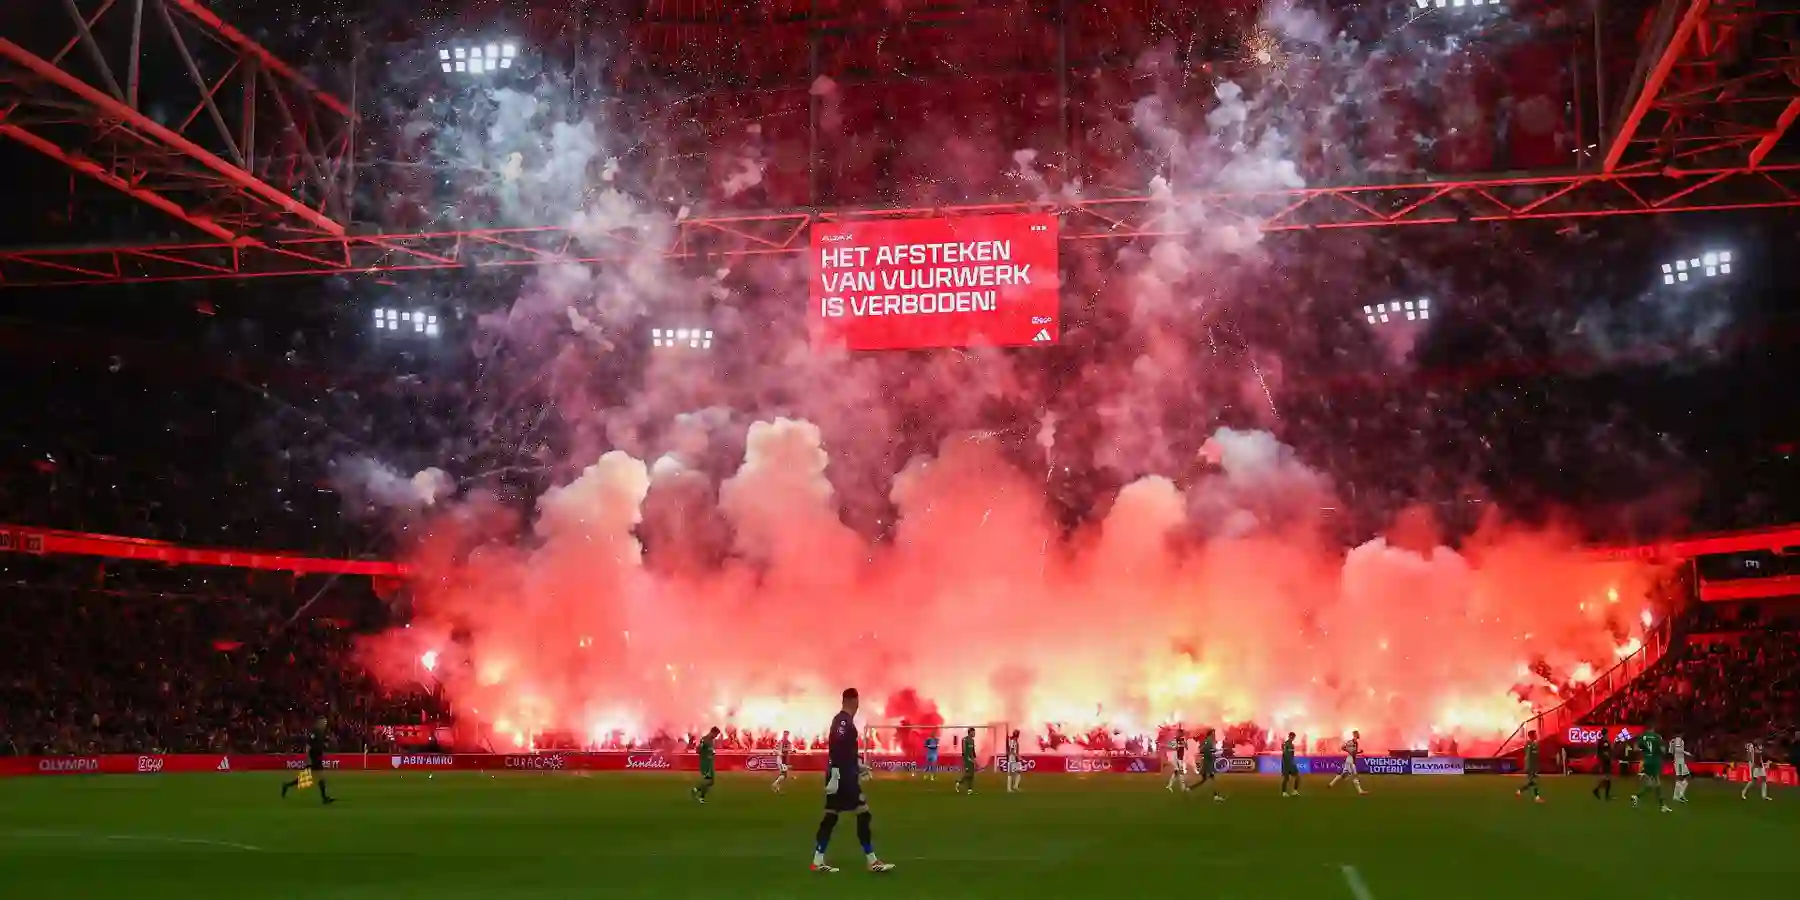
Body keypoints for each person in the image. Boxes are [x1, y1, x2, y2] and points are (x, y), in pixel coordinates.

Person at [812, 688, 894, 873]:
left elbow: (843, 750)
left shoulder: (842, 720)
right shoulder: (843, 720)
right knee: (863, 813)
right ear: (853, 701)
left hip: (842, 774)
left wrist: (858, 765)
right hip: (843, 777)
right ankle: (872, 861)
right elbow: (837, 745)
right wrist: (837, 772)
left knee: (831, 816)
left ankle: (817, 861)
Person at [280, 717, 336, 805]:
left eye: (325, 722)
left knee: (309, 778)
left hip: (317, 757)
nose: (324, 724)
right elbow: (309, 745)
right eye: (323, 722)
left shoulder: (322, 733)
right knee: (317, 777)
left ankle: (287, 785)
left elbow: (320, 743)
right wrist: (308, 758)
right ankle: (324, 798)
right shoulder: (314, 732)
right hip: (313, 758)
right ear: (319, 722)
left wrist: (325, 744)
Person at [1631, 726, 1672, 812]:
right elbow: (1663, 750)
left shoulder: (1643, 736)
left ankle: (1637, 796)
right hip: (1654, 761)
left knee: (1650, 784)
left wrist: (1645, 751)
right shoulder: (1657, 737)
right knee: (1657, 782)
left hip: (1647, 761)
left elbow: (1635, 748)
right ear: (1653, 728)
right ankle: (1662, 806)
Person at [1328, 730, 1368, 794]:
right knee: (1355, 775)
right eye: (1357, 734)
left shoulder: (1355, 742)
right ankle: (1360, 791)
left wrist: (1358, 752)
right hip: (1350, 759)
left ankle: (1331, 783)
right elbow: (1343, 748)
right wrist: (1350, 751)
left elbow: (1353, 752)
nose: (1359, 735)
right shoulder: (1351, 742)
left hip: (1351, 759)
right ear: (1355, 735)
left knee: (1344, 774)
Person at [1195, 727, 1224, 802]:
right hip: (1208, 763)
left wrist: (1215, 750)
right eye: (1213, 733)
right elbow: (1208, 751)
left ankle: (1189, 789)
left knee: (1204, 779)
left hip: (1206, 762)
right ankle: (1216, 796)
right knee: (1212, 779)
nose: (1214, 735)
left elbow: (1202, 750)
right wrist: (1216, 752)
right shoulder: (1209, 741)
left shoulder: (1206, 741)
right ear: (1211, 734)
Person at [692, 726, 720, 803]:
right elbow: (698, 750)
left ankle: (696, 790)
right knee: (708, 781)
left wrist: (711, 753)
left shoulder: (711, 741)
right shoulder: (704, 739)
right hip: (705, 763)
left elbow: (710, 750)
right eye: (716, 734)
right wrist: (704, 754)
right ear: (713, 732)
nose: (716, 736)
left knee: (711, 782)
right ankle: (701, 797)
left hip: (710, 763)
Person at [1515, 730, 1543, 802]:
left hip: (1533, 766)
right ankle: (1537, 798)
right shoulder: (1529, 744)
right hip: (1530, 766)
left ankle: (1519, 791)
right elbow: (1528, 756)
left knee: (1531, 783)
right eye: (1535, 734)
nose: (1536, 736)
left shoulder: (1535, 744)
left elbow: (1535, 756)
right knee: (1535, 782)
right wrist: (1528, 766)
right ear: (1531, 736)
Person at [1591, 728, 1614, 801]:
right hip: (1605, 761)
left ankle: (1603, 794)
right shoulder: (1602, 741)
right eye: (1607, 733)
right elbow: (1602, 751)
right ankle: (1598, 791)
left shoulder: (1604, 741)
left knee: (1607, 779)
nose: (1608, 735)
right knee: (1607, 779)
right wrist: (1603, 757)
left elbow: (1606, 750)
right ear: (1605, 734)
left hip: (1606, 761)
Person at [954, 726, 978, 794]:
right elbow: (964, 750)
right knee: (968, 774)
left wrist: (974, 758)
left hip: (971, 759)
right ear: (970, 732)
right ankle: (959, 782)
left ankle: (969, 789)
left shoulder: (972, 741)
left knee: (972, 774)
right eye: (973, 732)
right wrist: (967, 758)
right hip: (967, 759)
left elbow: (973, 750)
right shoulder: (965, 739)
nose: (974, 734)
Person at [1165, 727, 1188, 793]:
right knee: (1180, 772)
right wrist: (1176, 747)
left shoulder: (1183, 739)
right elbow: (1169, 745)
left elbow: (1186, 747)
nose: (1182, 733)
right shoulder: (1175, 739)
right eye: (1181, 732)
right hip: (1176, 758)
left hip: (1180, 758)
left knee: (1176, 772)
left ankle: (1169, 786)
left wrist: (1184, 744)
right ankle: (1183, 788)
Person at [1670, 732, 1690, 803]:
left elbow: (1671, 752)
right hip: (1679, 761)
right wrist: (1686, 752)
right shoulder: (1679, 740)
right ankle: (1678, 795)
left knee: (1686, 777)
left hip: (1679, 760)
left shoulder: (1672, 741)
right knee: (1681, 778)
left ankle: (1679, 795)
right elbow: (1678, 750)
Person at [1279, 731, 1301, 797]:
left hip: (1291, 764)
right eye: (1291, 736)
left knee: (1297, 777)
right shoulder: (1285, 744)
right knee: (1286, 779)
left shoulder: (1292, 745)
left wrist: (1293, 762)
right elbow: (1285, 754)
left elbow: (1291, 755)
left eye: (1293, 736)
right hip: (1287, 764)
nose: (1292, 737)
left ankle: (1294, 791)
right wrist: (1288, 763)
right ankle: (1284, 793)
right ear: (1289, 736)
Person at [1004, 729, 1023, 793]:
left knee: (1018, 772)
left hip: (1014, 759)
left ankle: (1015, 786)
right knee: (1010, 774)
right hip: (1012, 759)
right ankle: (1009, 789)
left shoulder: (1014, 741)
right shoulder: (1013, 741)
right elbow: (1011, 751)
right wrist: (1018, 756)